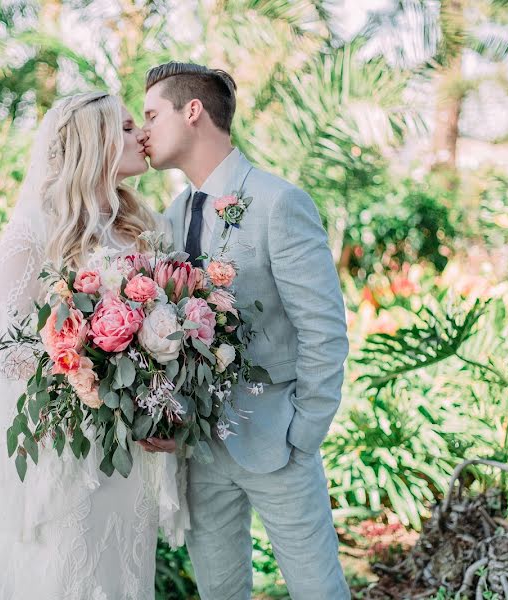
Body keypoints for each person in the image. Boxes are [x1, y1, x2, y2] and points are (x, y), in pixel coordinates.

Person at [0, 91, 188, 600]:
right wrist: (87, 374)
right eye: (128, 126)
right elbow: (10, 354)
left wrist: (154, 404)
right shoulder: (33, 232)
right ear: (96, 141)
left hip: (129, 452)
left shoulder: (143, 230)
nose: (142, 136)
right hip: (69, 451)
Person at [142, 61, 351, 599]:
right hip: (200, 451)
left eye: (150, 114)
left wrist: (303, 436)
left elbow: (324, 331)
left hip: (277, 442)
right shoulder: (172, 213)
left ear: (192, 112)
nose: (143, 131)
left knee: (318, 591)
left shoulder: (279, 203)